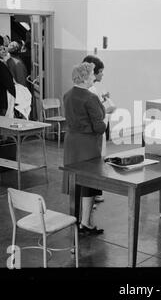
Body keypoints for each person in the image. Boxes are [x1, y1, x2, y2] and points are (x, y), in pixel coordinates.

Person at [62, 62, 106, 234]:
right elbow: (99, 126)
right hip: (87, 144)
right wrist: (104, 122)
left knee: (75, 181)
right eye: (92, 75)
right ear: (84, 77)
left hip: (71, 141)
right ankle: (85, 222)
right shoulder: (90, 97)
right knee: (89, 182)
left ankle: (75, 219)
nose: (93, 78)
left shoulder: (67, 95)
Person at [83, 55, 117, 205]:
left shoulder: (90, 89)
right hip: (94, 132)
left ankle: (94, 192)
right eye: (101, 71)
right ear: (94, 72)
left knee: (96, 161)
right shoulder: (91, 90)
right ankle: (94, 193)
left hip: (90, 132)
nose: (102, 74)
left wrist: (103, 101)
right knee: (95, 161)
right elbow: (96, 113)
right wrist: (107, 110)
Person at [0, 35, 16, 116]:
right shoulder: (1, 65)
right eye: (0, 49)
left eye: (4, 48)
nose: (3, 51)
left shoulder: (5, 62)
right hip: (3, 97)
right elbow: (8, 82)